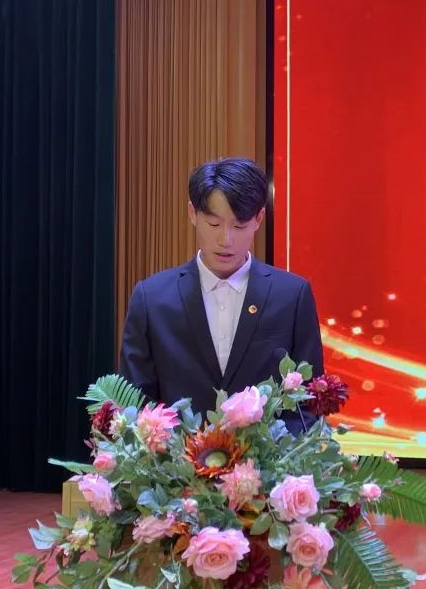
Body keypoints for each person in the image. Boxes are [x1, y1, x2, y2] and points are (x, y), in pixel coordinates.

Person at [119, 157, 324, 432]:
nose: (225, 239)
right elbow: (135, 402)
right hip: (177, 458)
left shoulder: (292, 296)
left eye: (239, 226)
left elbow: (307, 405)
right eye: (213, 224)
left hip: (269, 459)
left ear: (259, 219)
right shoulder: (152, 299)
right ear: (193, 214)